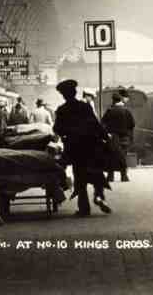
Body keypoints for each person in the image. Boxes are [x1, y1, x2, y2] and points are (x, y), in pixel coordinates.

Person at [53, 79, 112, 217]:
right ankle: (99, 196)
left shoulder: (62, 110)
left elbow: (57, 129)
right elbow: (96, 124)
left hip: (74, 148)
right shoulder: (85, 107)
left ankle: (84, 208)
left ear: (64, 95)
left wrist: (66, 134)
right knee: (96, 171)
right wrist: (106, 137)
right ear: (75, 92)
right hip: (91, 145)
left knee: (80, 176)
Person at [101, 93, 135, 182]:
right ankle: (124, 176)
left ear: (113, 101)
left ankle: (110, 176)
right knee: (122, 155)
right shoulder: (126, 111)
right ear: (120, 100)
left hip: (112, 136)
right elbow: (132, 124)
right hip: (124, 137)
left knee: (111, 155)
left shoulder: (110, 110)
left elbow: (102, 123)